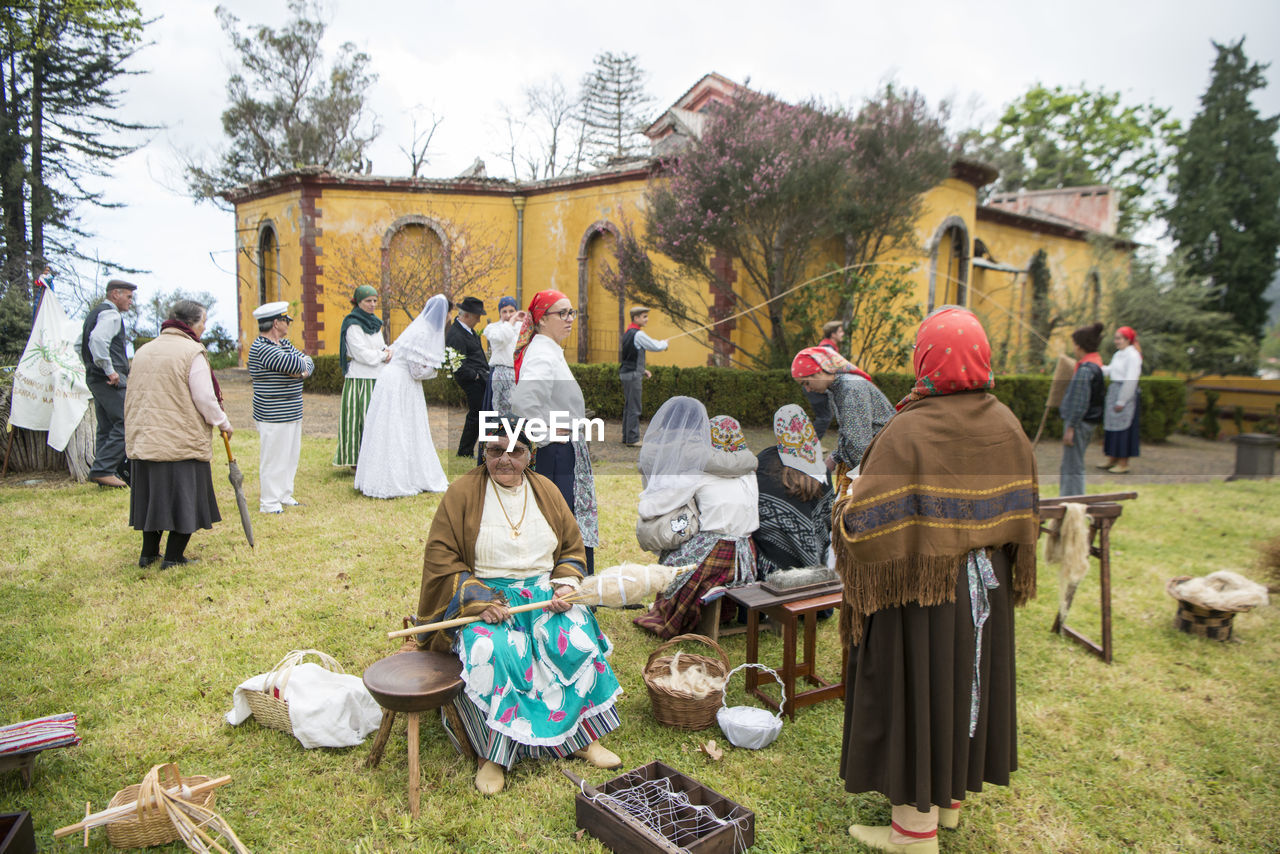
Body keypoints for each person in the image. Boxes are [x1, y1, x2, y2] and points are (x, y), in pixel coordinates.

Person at [834, 307, 1039, 852]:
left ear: (928, 357)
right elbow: (1021, 508)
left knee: (917, 689)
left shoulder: (911, 429)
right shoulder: (1005, 422)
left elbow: (862, 527)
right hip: (986, 591)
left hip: (921, 591)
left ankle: (913, 834)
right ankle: (946, 805)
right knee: (965, 683)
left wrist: (845, 501)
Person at [413, 418, 623, 796]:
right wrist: (478, 601)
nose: (505, 460)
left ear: (531, 454)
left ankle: (581, 738)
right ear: (483, 453)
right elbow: (442, 555)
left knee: (573, 635)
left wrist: (564, 585)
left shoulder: (547, 491)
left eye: (516, 451)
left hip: (544, 596)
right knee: (493, 649)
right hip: (489, 599)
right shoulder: (462, 492)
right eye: (496, 451)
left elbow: (572, 549)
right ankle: (492, 755)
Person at [634, 404, 759, 639]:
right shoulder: (749, 472)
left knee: (670, 562)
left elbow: (665, 503)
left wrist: (646, 508)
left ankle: (674, 613)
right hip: (746, 556)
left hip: (716, 556)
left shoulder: (700, 472)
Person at [124, 299, 231, 568]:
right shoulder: (191, 351)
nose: (205, 328)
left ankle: (148, 554)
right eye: (204, 322)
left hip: (146, 438)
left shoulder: (144, 350)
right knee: (185, 501)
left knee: (153, 501)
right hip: (178, 441)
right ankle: (173, 558)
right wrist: (222, 422)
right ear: (192, 323)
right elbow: (205, 398)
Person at [510, 289, 599, 574]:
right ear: (542, 320)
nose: (570, 318)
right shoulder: (543, 354)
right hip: (554, 454)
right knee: (559, 521)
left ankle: (570, 583)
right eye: (562, 313)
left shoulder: (549, 351)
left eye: (572, 312)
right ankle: (562, 585)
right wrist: (549, 433)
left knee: (565, 521)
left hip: (562, 451)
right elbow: (524, 403)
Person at [353, 295, 450, 498]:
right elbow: (417, 371)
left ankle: (379, 476)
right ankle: (394, 479)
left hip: (391, 380)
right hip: (400, 383)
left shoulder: (417, 327)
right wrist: (436, 371)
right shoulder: (424, 333)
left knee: (392, 426)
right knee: (398, 428)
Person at [790, 346, 895, 484]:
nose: (808, 389)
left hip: (881, 463)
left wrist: (863, 483)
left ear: (821, 371)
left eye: (807, 383)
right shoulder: (838, 387)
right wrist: (833, 458)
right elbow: (849, 433)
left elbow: (859, 445)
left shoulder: (851, 389)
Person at [752, 404, 835, 577]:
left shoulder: (764, 462)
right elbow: (828, 518)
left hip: (771, 569)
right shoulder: (821, 468)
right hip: (815, 566)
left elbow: (753, 510)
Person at [247, 301, 314, 514]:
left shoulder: (283, 345)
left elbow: (308, 363)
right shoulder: (261, 347)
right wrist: (299, 370)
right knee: (274, 458)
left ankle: (284, 494)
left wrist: (300, 370)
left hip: (292, 411)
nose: (289, 324)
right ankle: (269, 502)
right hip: (272, 413)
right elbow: (296, 365)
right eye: (286, 320)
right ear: (276, 323)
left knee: (289, 456)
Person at [80, 279, 137, 488]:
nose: (131, 301)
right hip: (109, 379)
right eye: (129, 296)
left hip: (95, 376)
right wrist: (109, 370)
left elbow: (81, 343)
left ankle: (105, 472)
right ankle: (103, 469)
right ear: (115, 294)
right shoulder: (111, 314)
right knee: (126, 420)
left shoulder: (94, 314)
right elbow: (97, 341)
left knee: (106, 425)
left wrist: (92, 366)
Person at [332, 285, 391, 469]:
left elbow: (380, 347)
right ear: (358, 302)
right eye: (368, 301)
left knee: (377, 420)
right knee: (359, 419)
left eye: (375, 300)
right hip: (360, 379)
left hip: (377, 377)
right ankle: (355, 460)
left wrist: (385, 352)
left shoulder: (375, 323)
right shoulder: (352, 324)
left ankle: (375, 457)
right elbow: (361, 354)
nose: (372, 304)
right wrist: (383, 355)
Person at [1059, 322, 1105, 497]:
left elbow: (1080, 402)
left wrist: (1071, 427)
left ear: (1079, 346)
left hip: (1079, 424)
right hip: (1085, 423)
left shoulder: (1086, 369)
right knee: (1073, 464)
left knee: (1072, 466)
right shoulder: (1094, 364)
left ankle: (1072, 501)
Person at [618, 305, 669, 447]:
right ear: (636, 318)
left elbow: (630, 357)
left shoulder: (628, 332)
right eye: (644, 317)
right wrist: (664, 344)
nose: (647, 319)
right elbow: (655, 346)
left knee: (629, 406)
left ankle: (626, 437)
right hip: (633, 375)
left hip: (627, 373)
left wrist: (643, 370)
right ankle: (633, 439)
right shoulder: (638, 334)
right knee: (635, 407)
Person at [447, 296, 490, 459]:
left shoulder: (469, 331)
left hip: (480, 378)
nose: (479, 320)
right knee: (476, 415)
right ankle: (464, 450)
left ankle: (471, 449)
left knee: (479, 414)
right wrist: (476, 375)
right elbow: (456, 363)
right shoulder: (456, 334)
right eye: (477, 316)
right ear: (467, 316)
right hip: (472, 381)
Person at [1099, 326, 1143, 474]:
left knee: (1124, 429)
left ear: (1127, 340)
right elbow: (1111, 370)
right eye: (1116, 338)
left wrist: (1122, 400)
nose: (1116, 341)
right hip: (1114, 391)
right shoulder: (1118, 354)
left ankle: (1123, 462)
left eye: (1119, 338)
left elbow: (1131, 380)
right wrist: (1097, 367)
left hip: (1125, 393)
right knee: (1112, 428)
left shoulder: (1133, 356)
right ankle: (1112, 458)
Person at [481, 296, 524, 421]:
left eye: (511, 311)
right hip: (499, 373)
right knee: (497, 411)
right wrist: (511, 323)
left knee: (517, 409)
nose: (508, 314)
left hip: (517, 373)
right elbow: (501, 338)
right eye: (504, 311)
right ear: (499, 313)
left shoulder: (522, 328)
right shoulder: (493, 328)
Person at [803, 320, 845, 440]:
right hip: (815, 386)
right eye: (840, 331)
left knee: (824, 416)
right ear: (833, 334)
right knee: (824, 417)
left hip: (814, 385)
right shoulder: (827, 348)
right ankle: (809, 445)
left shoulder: (827, 347)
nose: (843, 334)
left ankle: (809, 444)